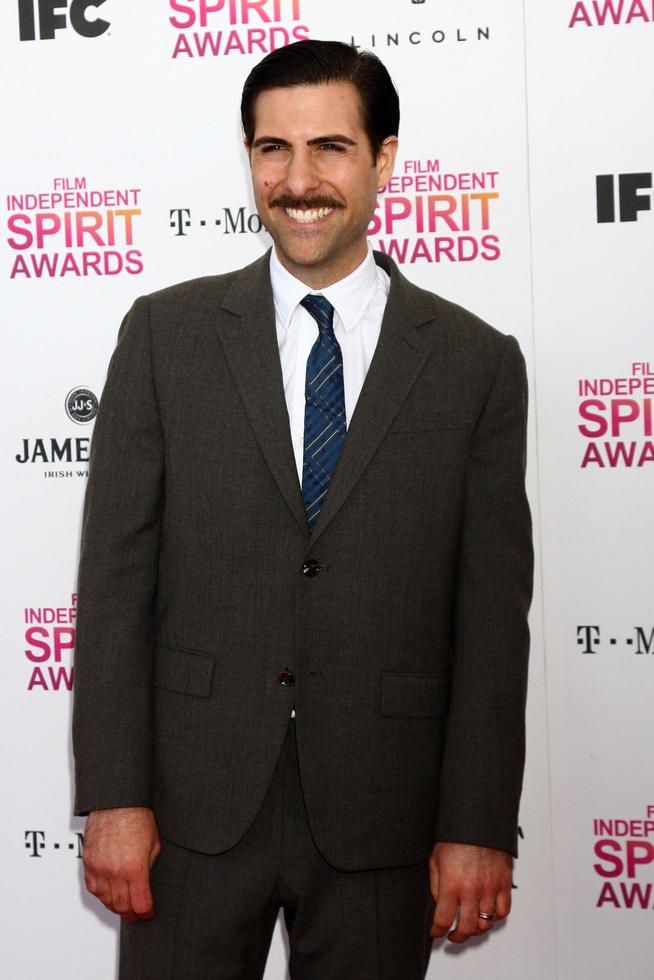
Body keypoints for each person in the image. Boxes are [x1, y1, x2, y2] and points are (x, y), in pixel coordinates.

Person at [73, 39, 533, 980]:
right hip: (189, 817)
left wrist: (477, 822)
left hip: (383, 815)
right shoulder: (164, 337)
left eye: (329, 147)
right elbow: (114, 587)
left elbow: (493, 619)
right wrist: (113, 798)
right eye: (271, 150)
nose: (298, 179)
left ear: (384, 160)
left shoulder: (477, 365)